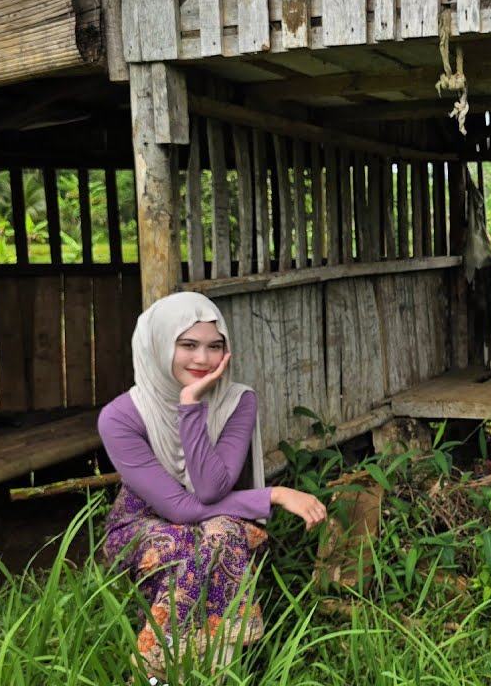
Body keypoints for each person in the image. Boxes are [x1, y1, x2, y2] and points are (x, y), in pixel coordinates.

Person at [99, 292, 327, 682]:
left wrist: (191, 406)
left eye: (214, 347)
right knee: (180, 548)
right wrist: (272, 495)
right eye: (187, 345)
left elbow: (208, 489)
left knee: (221, 535)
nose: (203, 360)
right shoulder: (119, 417)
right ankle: (161, 676)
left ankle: (217, 675)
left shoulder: (238, 401)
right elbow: (180, 510)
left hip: (218, 511)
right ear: (159, 345)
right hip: (142, 521)